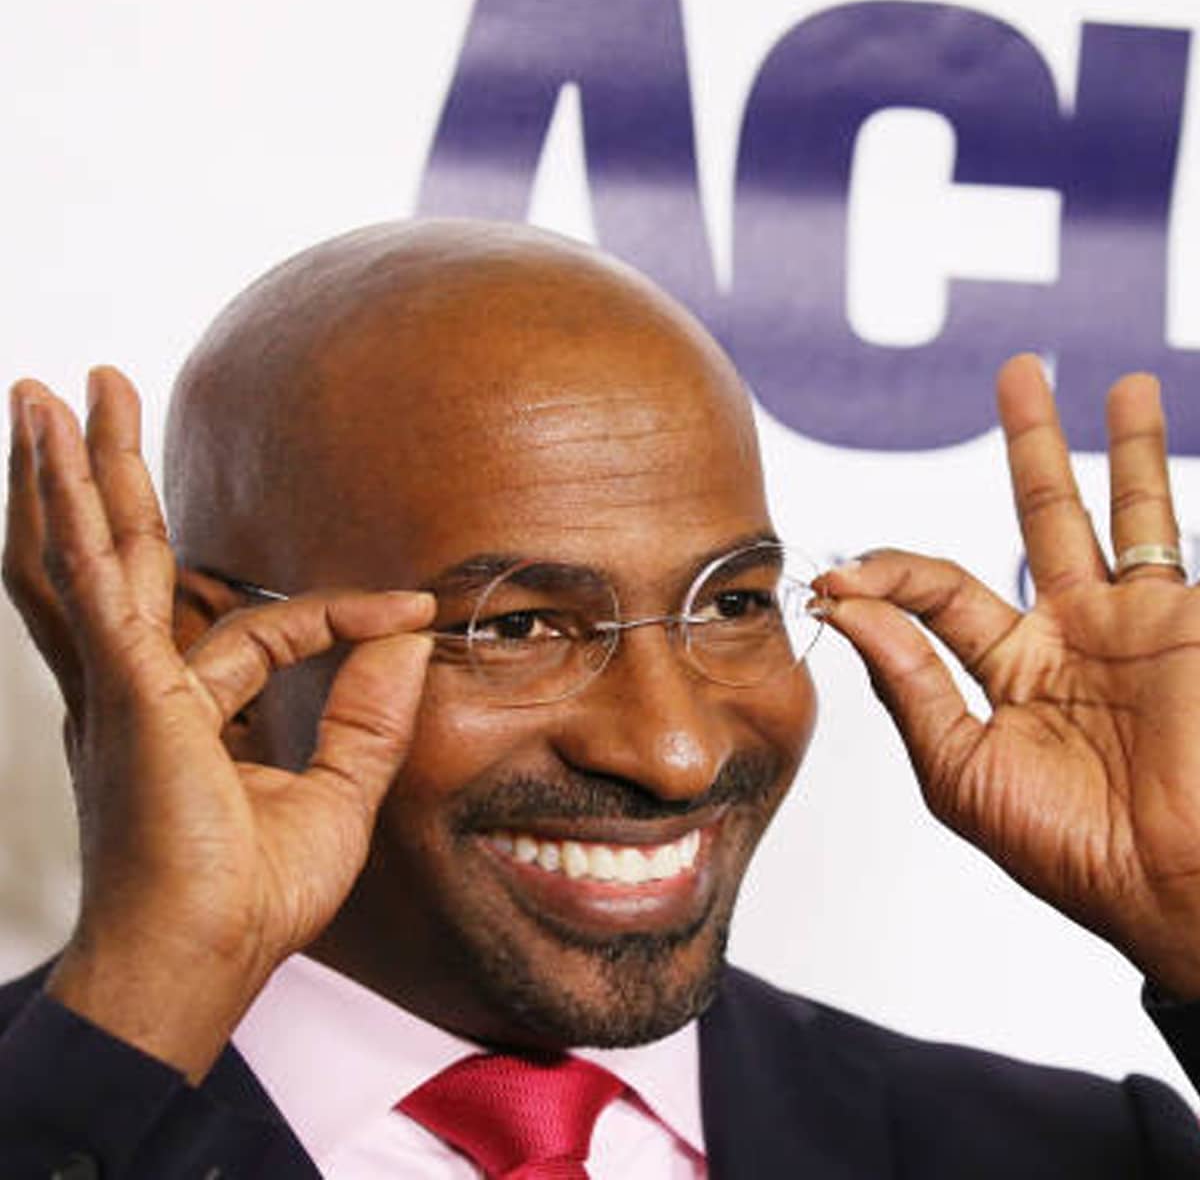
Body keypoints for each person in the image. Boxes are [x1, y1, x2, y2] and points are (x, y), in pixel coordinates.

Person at [1, 218, 1199, 1178]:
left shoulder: (1072, 1152)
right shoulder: (57, 1118)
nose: (673, 751)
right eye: (518, 627)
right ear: (227, 663)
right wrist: (138, 1015)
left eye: (732, 604)